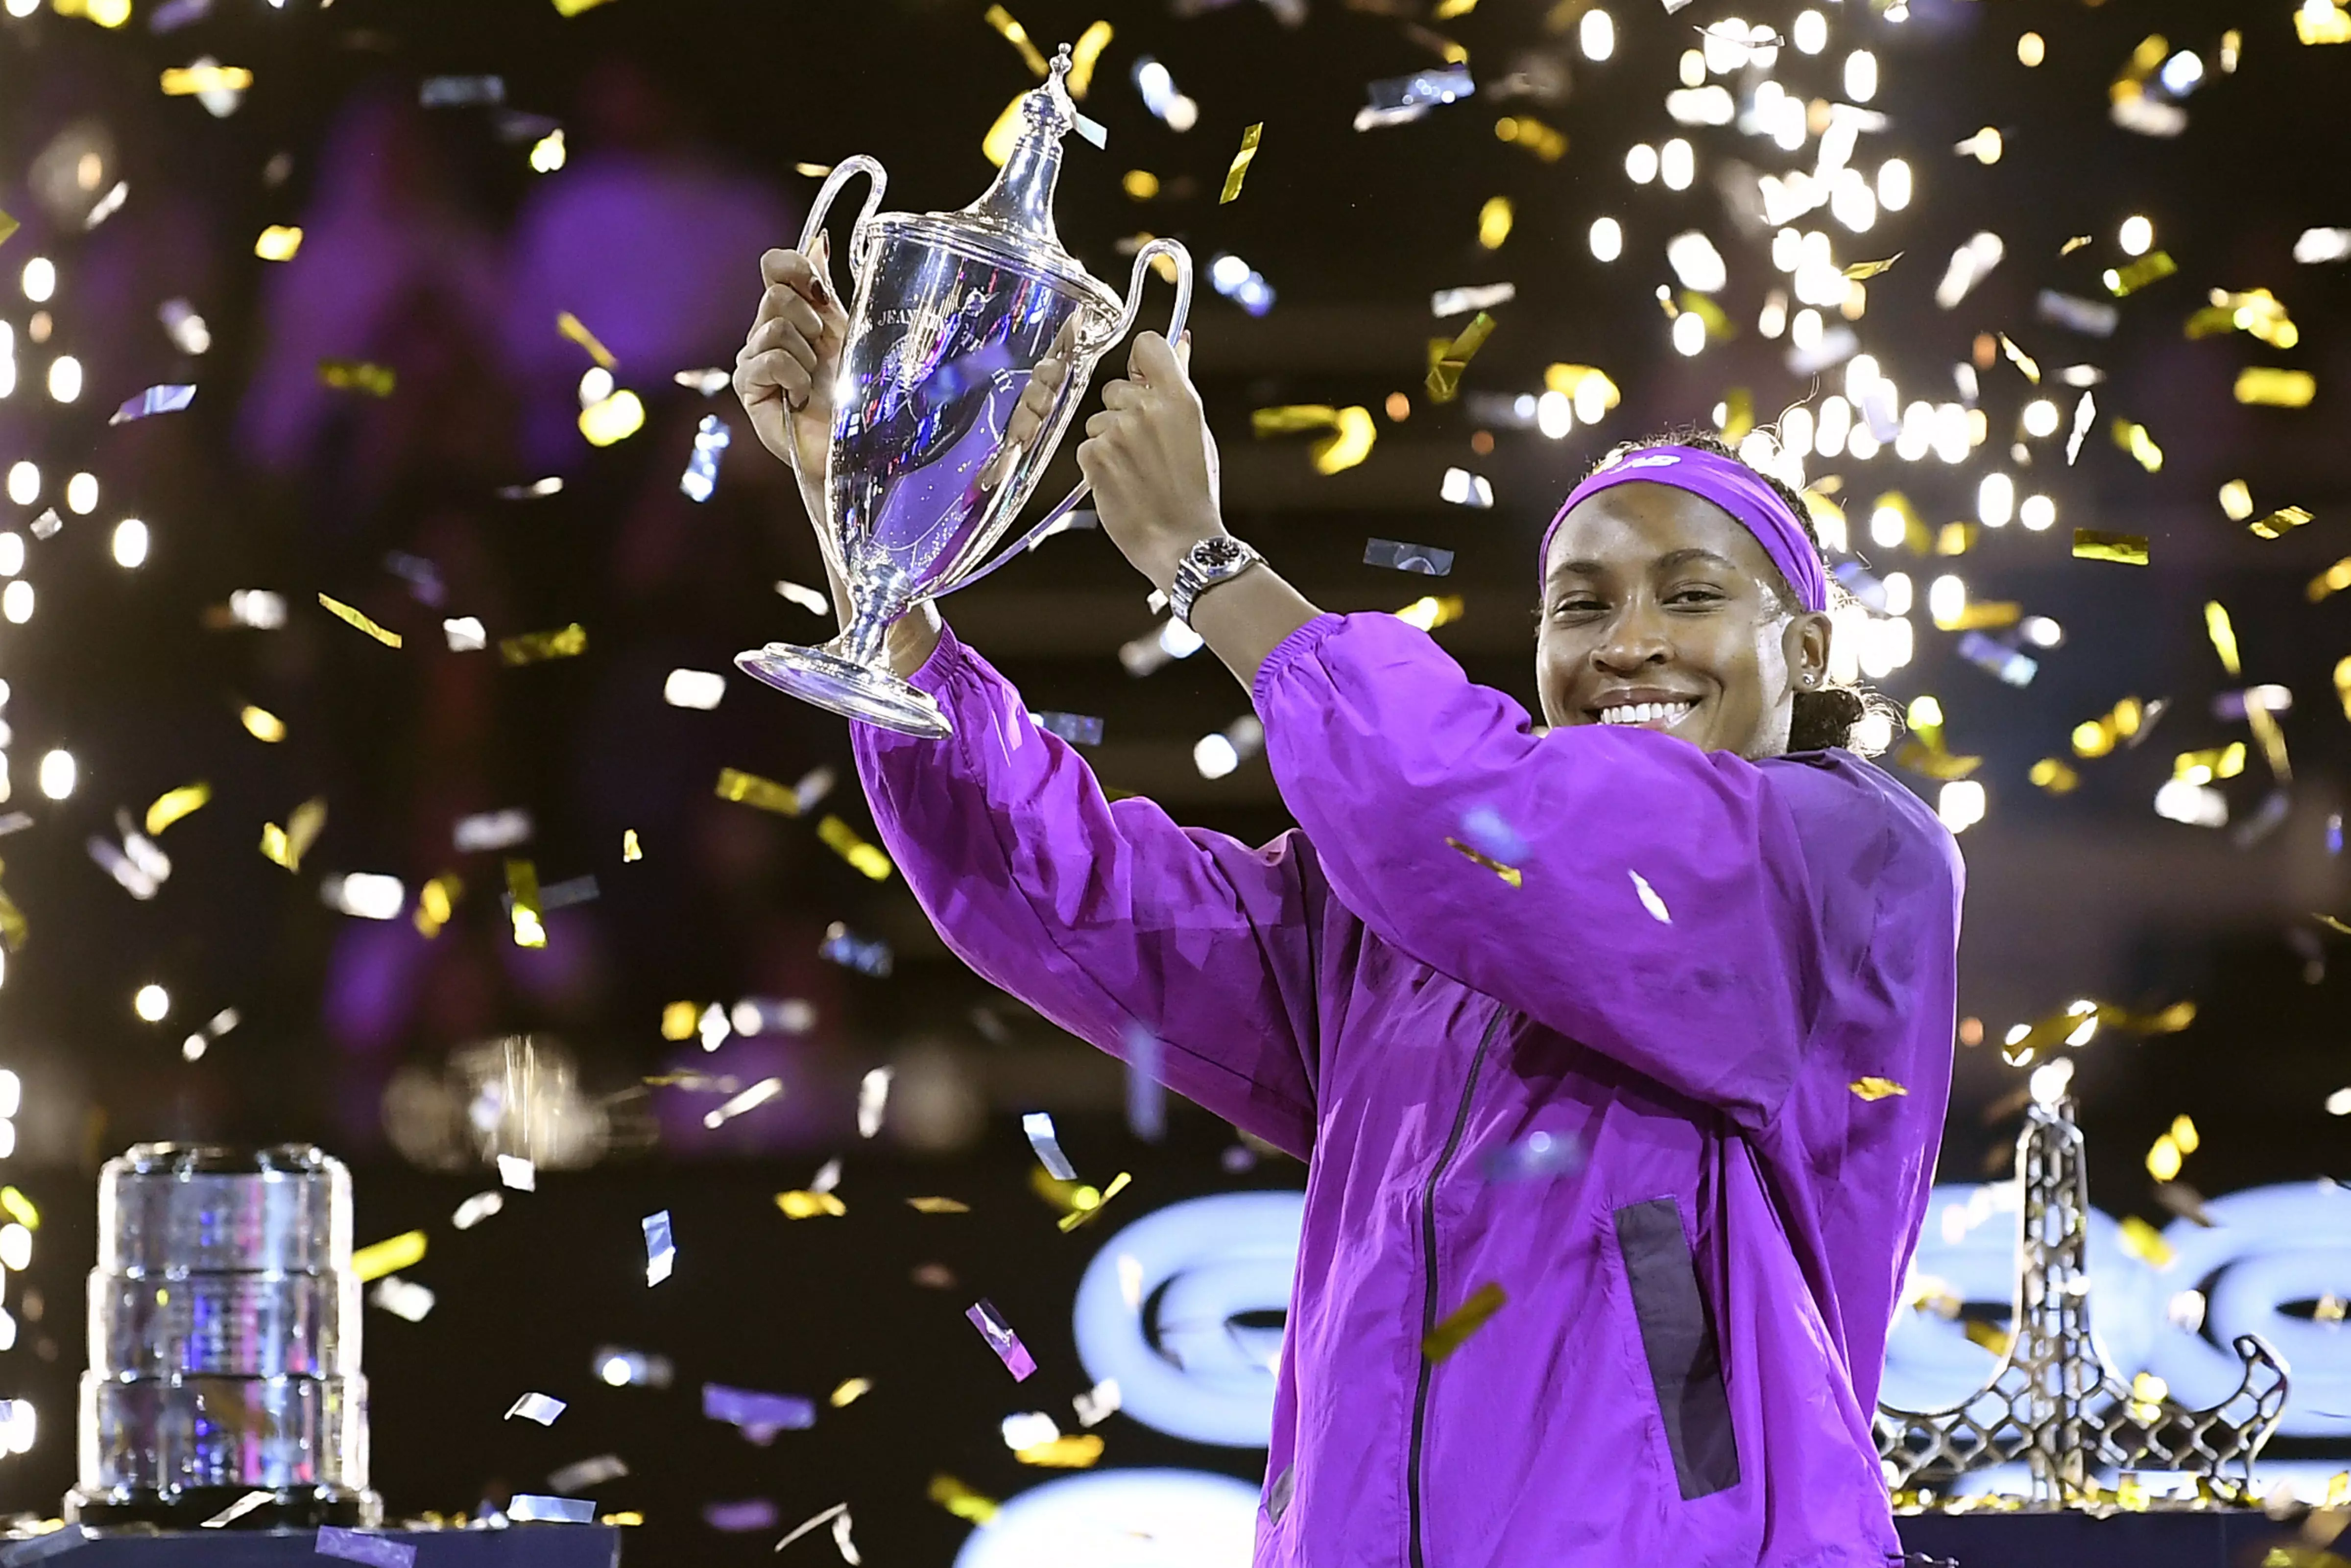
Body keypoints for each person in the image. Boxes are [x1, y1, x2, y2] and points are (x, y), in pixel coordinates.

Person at [735, 244, 1963, 1567]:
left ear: (1809, 651)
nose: (1627, 642)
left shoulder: (1849, 858)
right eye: (1580, 605)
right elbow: (1079, 901)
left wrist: (1206, 566)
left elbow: (1497, 831)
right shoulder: (1397, 916)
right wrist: (882, 548)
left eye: (1693, 595)